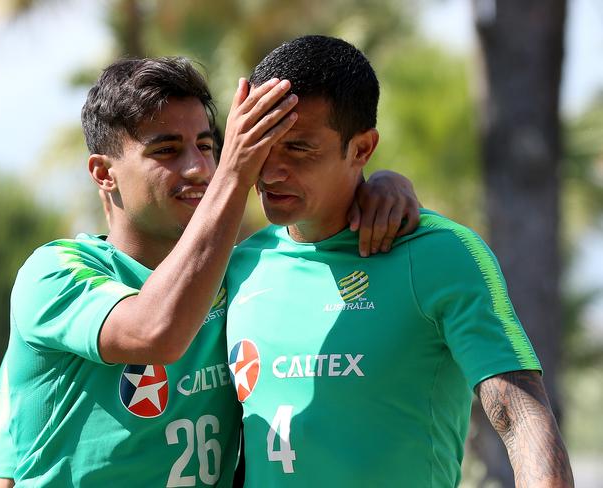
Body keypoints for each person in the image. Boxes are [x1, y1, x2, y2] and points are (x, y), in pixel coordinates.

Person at [0, 56, 420, 487]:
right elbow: (156, 332)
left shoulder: (243, 276)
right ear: (103, 173)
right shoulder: (53, 274)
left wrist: (381, 184)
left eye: (206, 146)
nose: (199, 168)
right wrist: (235, 174)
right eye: (167, 150)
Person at [224, 35, 574, 487]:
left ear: (363, 149)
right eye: (263, 145)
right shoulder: (239, 267)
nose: (270, 173)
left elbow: (520, 416)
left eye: (298, 148)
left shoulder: (440, 254)